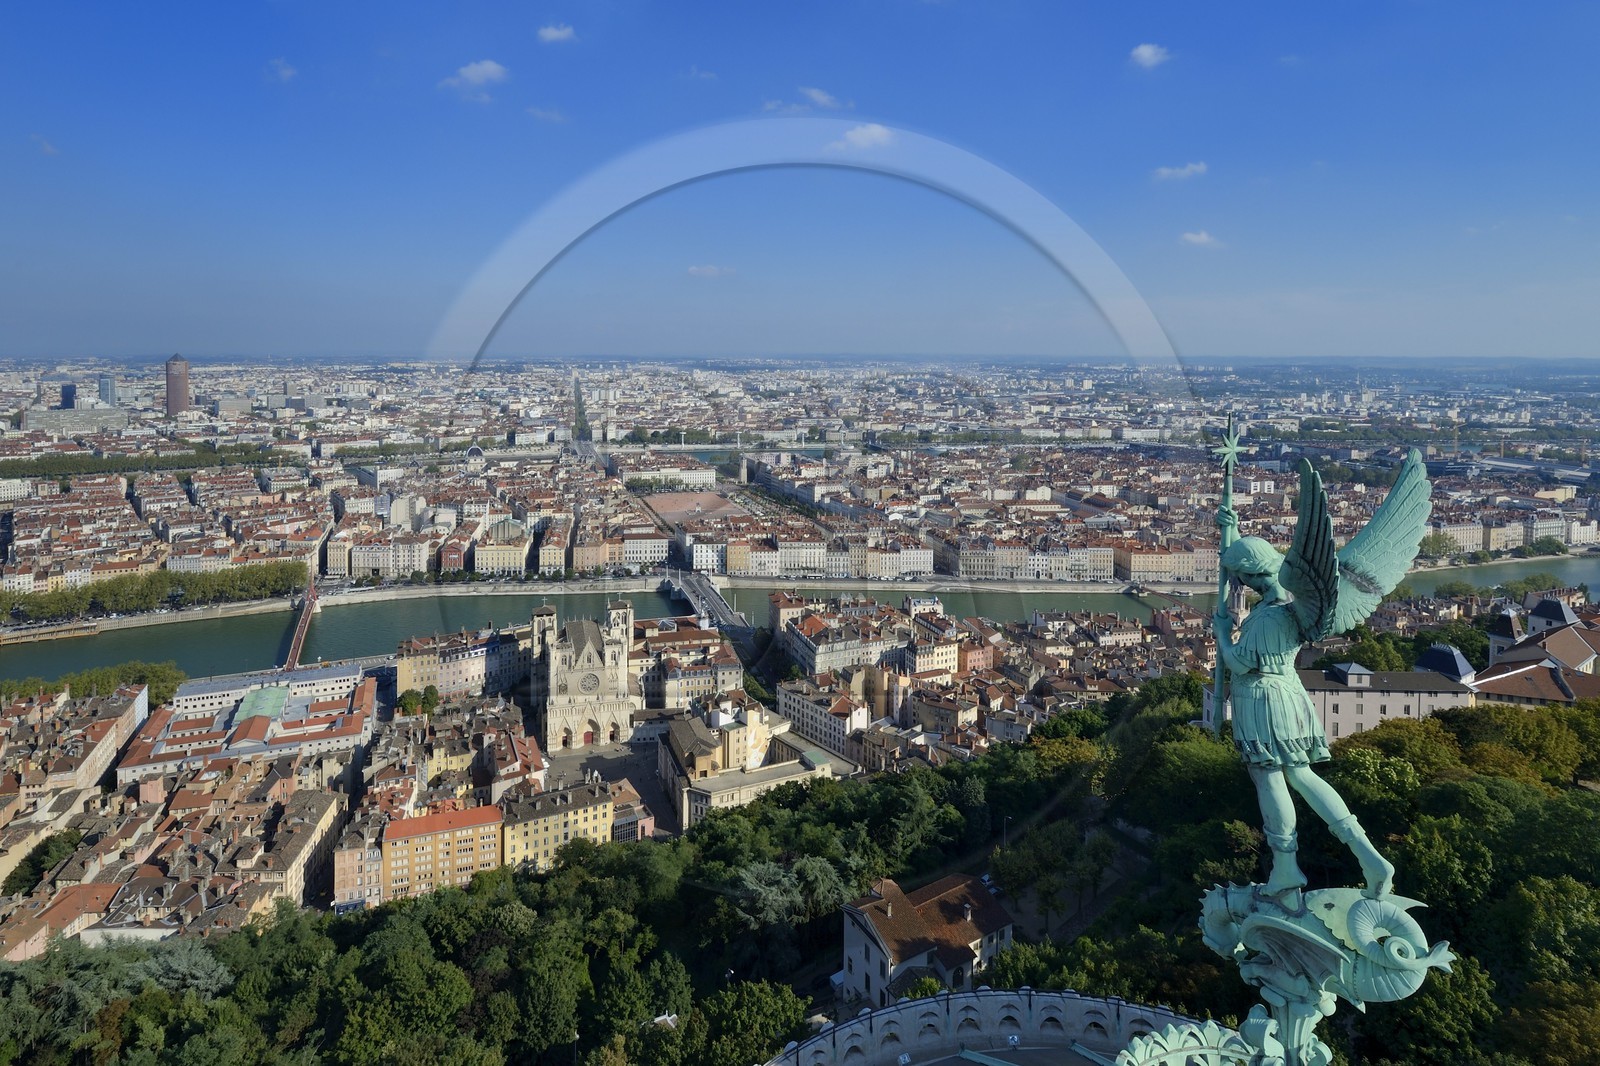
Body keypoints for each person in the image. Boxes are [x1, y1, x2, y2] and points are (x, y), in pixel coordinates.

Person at [1214, 504, 1393, 899]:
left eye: (1241, 576)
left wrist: (1223, 633)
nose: (1238, 583)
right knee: (1304, 776)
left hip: (1262, 699)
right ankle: (1368, 855)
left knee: (1270, 778)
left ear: (1251, 574)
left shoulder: (1270, 618)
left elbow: (1240, 663)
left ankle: (1286, 866)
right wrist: (1234, 531)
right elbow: (1245, 575)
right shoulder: (1289, 607)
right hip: (1289, 694)